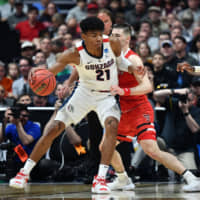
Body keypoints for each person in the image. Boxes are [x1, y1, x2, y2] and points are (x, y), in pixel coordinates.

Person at [9, 17, 136, 193]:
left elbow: (121, 61)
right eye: (93, 35)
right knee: (53, 128)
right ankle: (24, 173)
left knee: (112, 125)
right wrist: (37, 77)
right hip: (83, 94)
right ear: (83, 36)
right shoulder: (72, 54)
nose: (99, 38)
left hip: (106, 95)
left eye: (100, 34)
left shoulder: (112, 43)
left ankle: (100, 178)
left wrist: (133, 68)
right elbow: (50, 73)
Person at [104, 23, 200, 192]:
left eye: (117, 35)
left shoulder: (133, 59)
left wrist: (123, 90)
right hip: (125, 111)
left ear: (127, 39)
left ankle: (190, 177)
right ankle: (122, 179)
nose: (113, 38)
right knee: (105, 146)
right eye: (112, 35)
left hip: (140, 109)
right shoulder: (111, 57)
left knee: (152, 150)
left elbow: (148, 87)